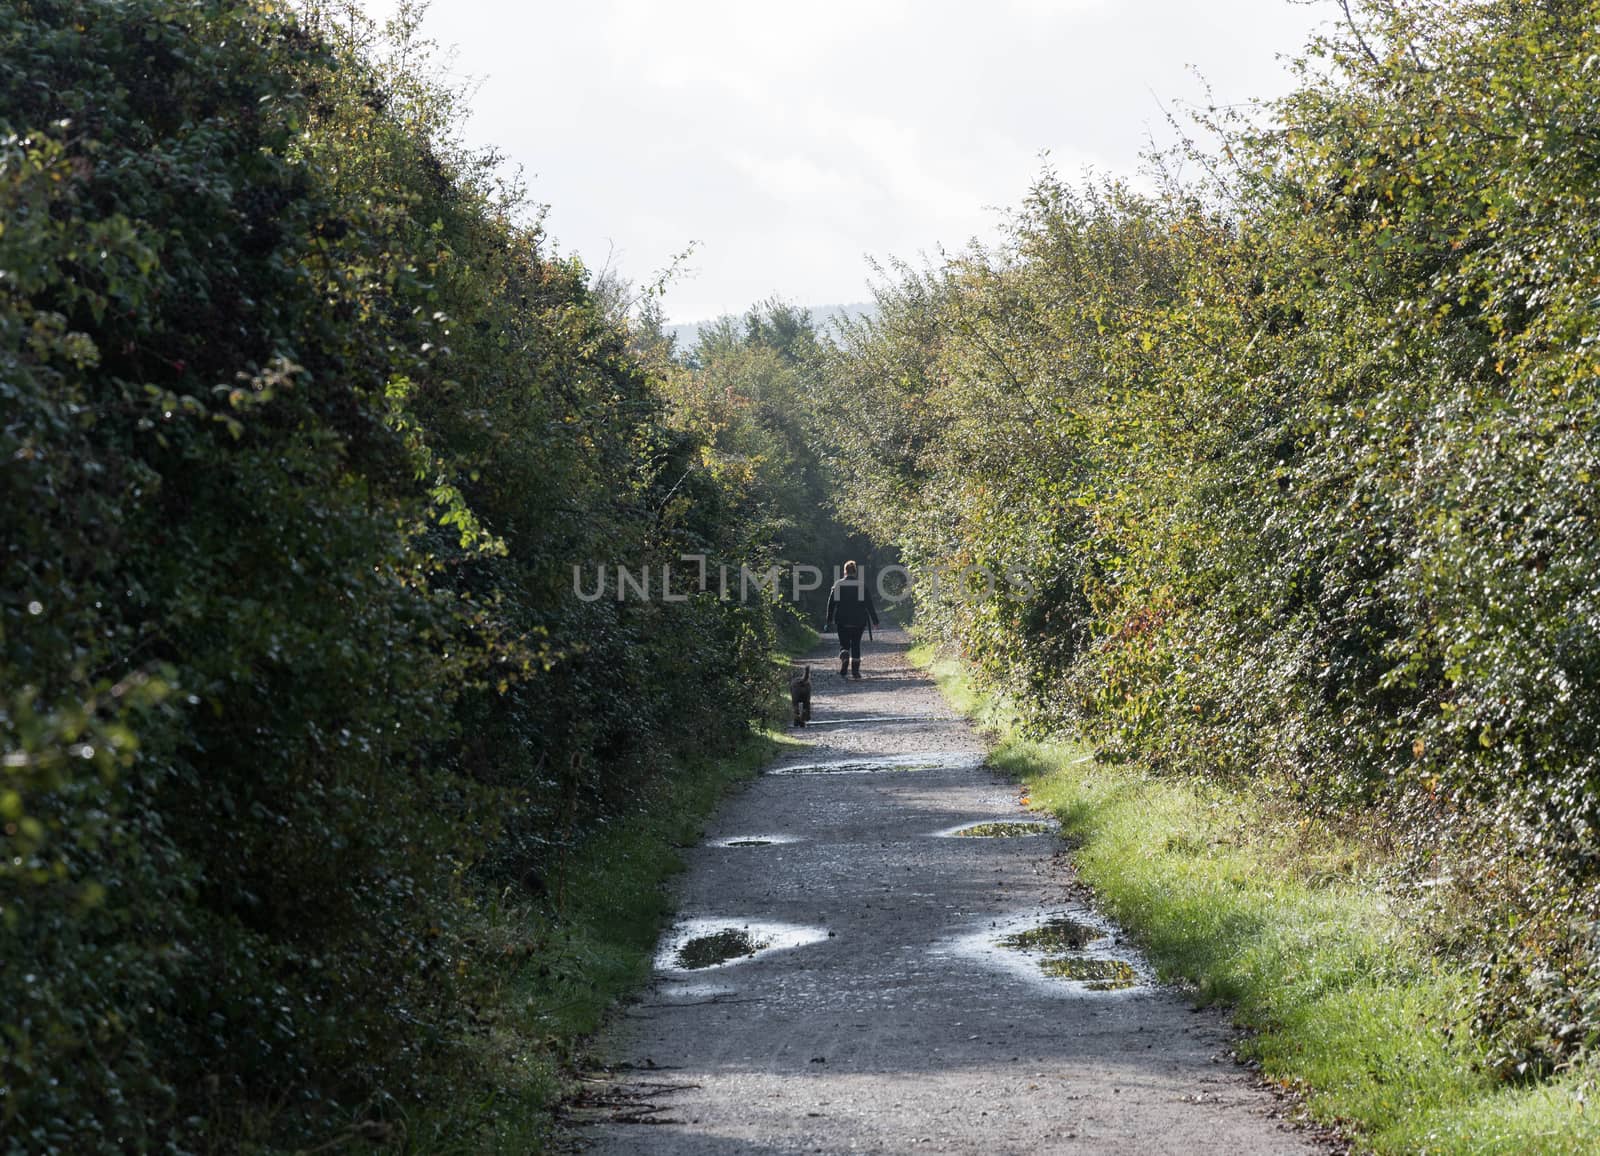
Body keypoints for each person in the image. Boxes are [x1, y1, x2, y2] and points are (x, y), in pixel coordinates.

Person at [825, 560, 879, 680]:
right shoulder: (861, 585)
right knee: (856, 644)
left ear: (845, 571)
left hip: (842, 620)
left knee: (844, 644)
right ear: (855, 572)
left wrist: (828, 619)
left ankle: (844, 656)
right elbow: (869, 604)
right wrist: (875, 620)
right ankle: (855, 672)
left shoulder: (838, 585)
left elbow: (831, 603)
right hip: (858, 621)